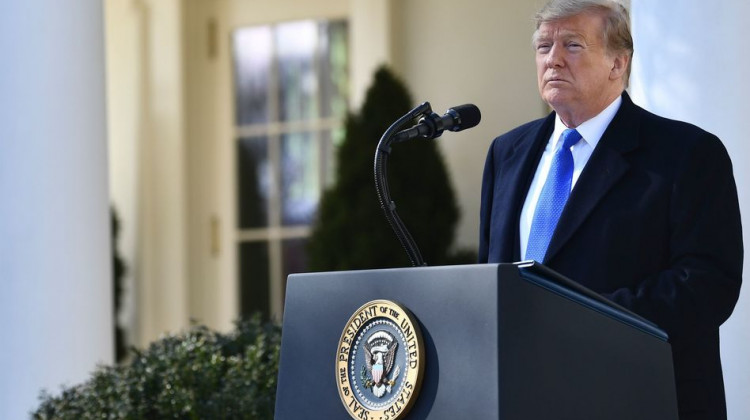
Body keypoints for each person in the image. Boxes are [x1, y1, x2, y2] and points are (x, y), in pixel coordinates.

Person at [477, 1, 743, 419]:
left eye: (573, 45)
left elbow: (707, 285)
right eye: (544, 46)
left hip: (639, 395)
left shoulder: (686, 154)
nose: (553, 59)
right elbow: (493, 276)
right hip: (525, 396)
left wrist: (580, 320)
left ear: (618, 63)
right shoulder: (506, 153)